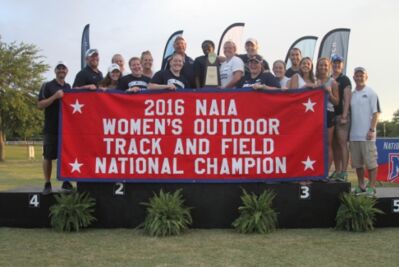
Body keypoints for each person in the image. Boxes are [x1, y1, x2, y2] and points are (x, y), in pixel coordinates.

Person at [37, 61, 73, 194]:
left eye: (63, 68)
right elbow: (40, 105)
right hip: (51, 127)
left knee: (65, 155)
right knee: (48, 156)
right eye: (59, 68)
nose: (61, 70)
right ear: (55, 71)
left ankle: (66, 181)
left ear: (67, 71)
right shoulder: (47, 85)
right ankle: (47, 183)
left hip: (66, 128)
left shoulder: (68, 86)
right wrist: (55, 96)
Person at [350, 67, 381, 197]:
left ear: (366, 77)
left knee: (371, 163)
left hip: (367, 135)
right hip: (354, 135)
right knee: (358, 164)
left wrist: (372, 129)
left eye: (361, 75)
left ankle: (372, 187)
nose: (359, 77)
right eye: (357, 75)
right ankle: (361, 185)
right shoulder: (351, 94)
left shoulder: (371, 93)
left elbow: (376, 113)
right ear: (354, 77)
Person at [315, 57, 339, 176]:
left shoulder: (333, 82)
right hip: (314, 114)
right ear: (317, 67)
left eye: (325, 65)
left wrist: (328, 93)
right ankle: (315, 170)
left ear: (329, 67)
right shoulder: (313, 80)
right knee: (315, 143)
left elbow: (336, 102)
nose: (323, 67)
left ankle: (326, 172)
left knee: (327, 143)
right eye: (321, 65)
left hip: (328, 113)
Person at [331, 55, 352, 182]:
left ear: (342, 65)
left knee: (342, 143)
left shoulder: (345, 79)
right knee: (334, 145)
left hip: (341, 115)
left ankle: (344, 172)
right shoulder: (329, 78)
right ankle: (337, 170)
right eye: (335, 63)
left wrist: (344, 115)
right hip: (330, 115)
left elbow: (347, 98)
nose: (336, 65)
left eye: (339, 63)